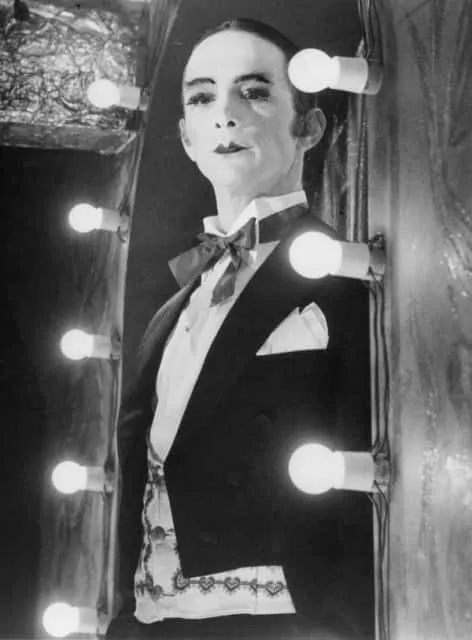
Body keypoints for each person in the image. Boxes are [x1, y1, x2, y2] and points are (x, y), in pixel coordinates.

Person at [107, 17, 374, 640]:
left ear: (309, 126)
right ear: (186, 137)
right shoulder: (174, 310)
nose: (224, 115)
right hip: (152, 619)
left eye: (254, 92)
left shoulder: (343, 274)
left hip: (282, 619)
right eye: (202, 98)